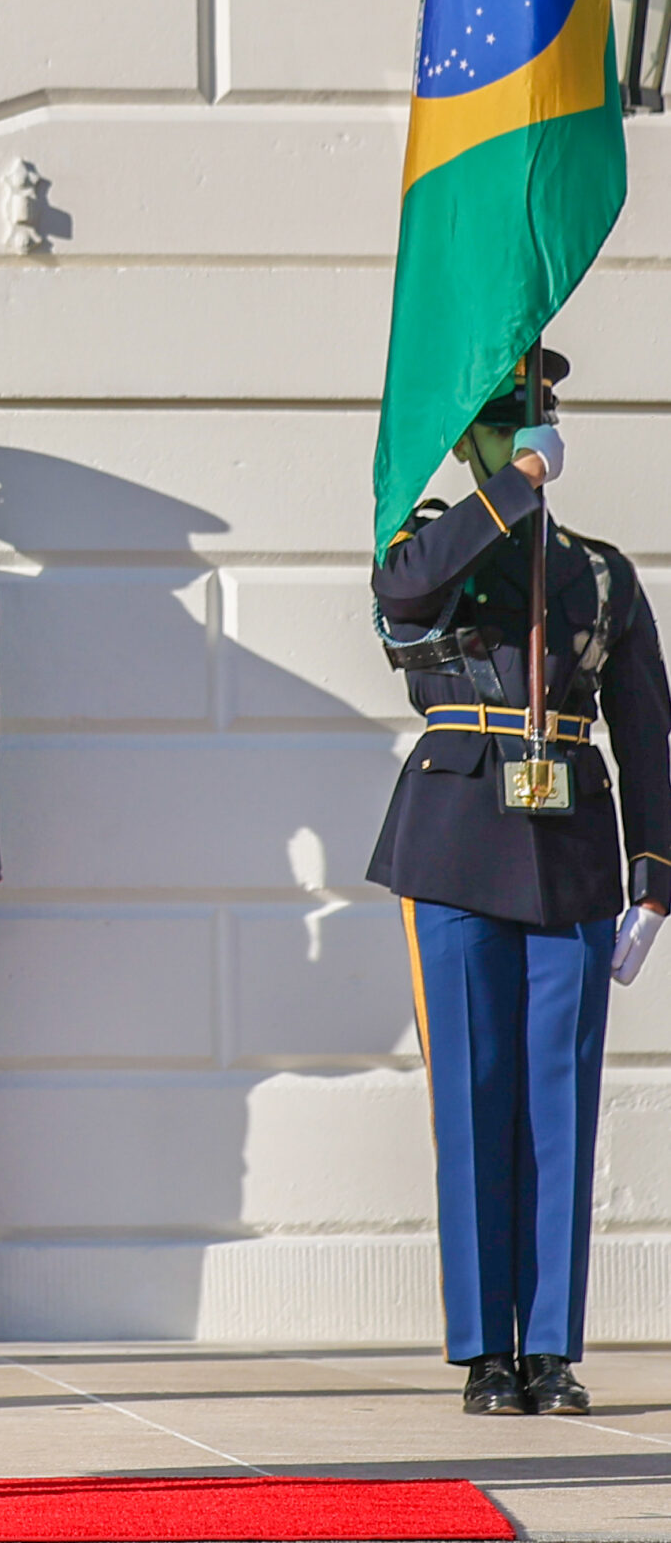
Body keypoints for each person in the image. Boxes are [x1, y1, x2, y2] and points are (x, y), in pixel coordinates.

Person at [369, 348, 671, 1418]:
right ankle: (480, 1350)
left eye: (531, 413)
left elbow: (644, 728)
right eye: (501, 417)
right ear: (471, 438)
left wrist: (652, 877)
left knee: (557, 1106)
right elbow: (401, 591)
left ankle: (546, 1346)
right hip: (452, 844)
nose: (521, 427)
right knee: (471, 1096)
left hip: (571, 850)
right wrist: (510, 490)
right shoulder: (427, 540)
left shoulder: (597, 572)